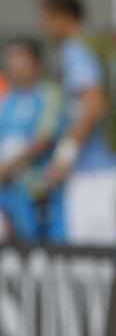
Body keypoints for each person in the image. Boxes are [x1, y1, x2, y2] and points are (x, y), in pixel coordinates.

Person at [39, 0, 116, 245]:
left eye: (46, 19)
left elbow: (94, 105)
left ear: (61, 15)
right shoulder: (104, 44)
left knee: (94, 245)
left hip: (95, 163)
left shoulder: (77, 50)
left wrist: (64, 156)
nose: (44, 28)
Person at [0, 39, 65, 242]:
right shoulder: (7, 100)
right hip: (6, 186)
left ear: (36, 65)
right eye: (12, 64)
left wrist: (9, 167)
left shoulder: (50, 94)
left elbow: (44, 138)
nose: (15, 70)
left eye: (21, 64)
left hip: (36, 187)